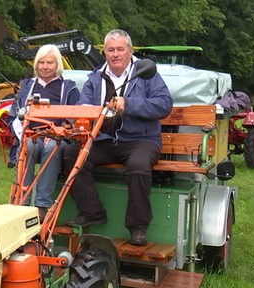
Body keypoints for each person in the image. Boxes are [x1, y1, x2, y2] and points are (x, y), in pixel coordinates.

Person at [63, 29, 173, 246]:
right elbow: (83, 106)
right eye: (110, 50)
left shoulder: (146, 73)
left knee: (138, 166)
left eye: (120, 49)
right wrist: (76, 118)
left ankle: (138, 227)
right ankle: (92, 211)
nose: (115, 54)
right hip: (105, 139)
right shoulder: (95, 77)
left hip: (142, 140)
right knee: (72, 154)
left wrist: (129, 105)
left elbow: (164, 104)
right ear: (104, 52)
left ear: (130, 51)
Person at [7, 44, 80, 220]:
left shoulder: (68, 88)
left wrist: (58, 134)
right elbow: (12, 118)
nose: (45, 66)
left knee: (52, 148)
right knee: (29, 145)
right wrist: (25, 133)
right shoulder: (26, 87)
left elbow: (75, 120)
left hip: (57, 138)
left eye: (50, 63)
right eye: (41, 62)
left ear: (58, 65)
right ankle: (22, 203)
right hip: (31, 136)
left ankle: (41, 205)